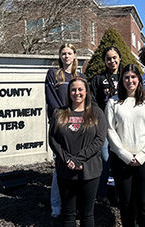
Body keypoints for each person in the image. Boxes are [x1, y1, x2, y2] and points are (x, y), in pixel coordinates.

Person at [106, 64, 145, 227]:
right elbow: (110, 130)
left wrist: (142, 156)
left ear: (139, 79)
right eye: (126, 77)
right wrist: (125, 155)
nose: (130, 80)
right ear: (122, 80)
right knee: (126, 203)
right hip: (121, 160)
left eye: (133, 77)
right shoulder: (113, 102)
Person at [49, 77, 107, 227]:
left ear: (86, 92)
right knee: (69, 215)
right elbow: (53, 139)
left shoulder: (96, 113)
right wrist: (67, 159)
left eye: (80, 89)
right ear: (69, 92)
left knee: (87, 214)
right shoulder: (59, 113)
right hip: (65, 170)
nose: (77, 93)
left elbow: (99, 139)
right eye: (73, 90)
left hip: (90, 171)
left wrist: (78, 160)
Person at [45, 43, 85, 220]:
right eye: (63, 53)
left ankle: (74, 204)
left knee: (77, 165)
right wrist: (61, 119)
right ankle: (56, 205)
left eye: (69, 53)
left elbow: (85, 100)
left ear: (75, 56)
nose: (66, 56)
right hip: (60, 125)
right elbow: (51, 99)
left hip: (79, 127)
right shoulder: (53, 74)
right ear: (60, 56)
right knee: (60, 166)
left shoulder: (81, 76)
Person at [90, 46, 122, 205]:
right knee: (105, 159)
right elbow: (93, 101)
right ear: (104, 60)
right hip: (104, 126)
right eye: (109, 58)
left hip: (122, 128)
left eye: (114, 57)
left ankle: (118, 193)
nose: (112, 61)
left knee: (120, 160)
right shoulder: (98, 79)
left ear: (119, 58)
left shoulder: (126, 76)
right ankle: (102, 193)